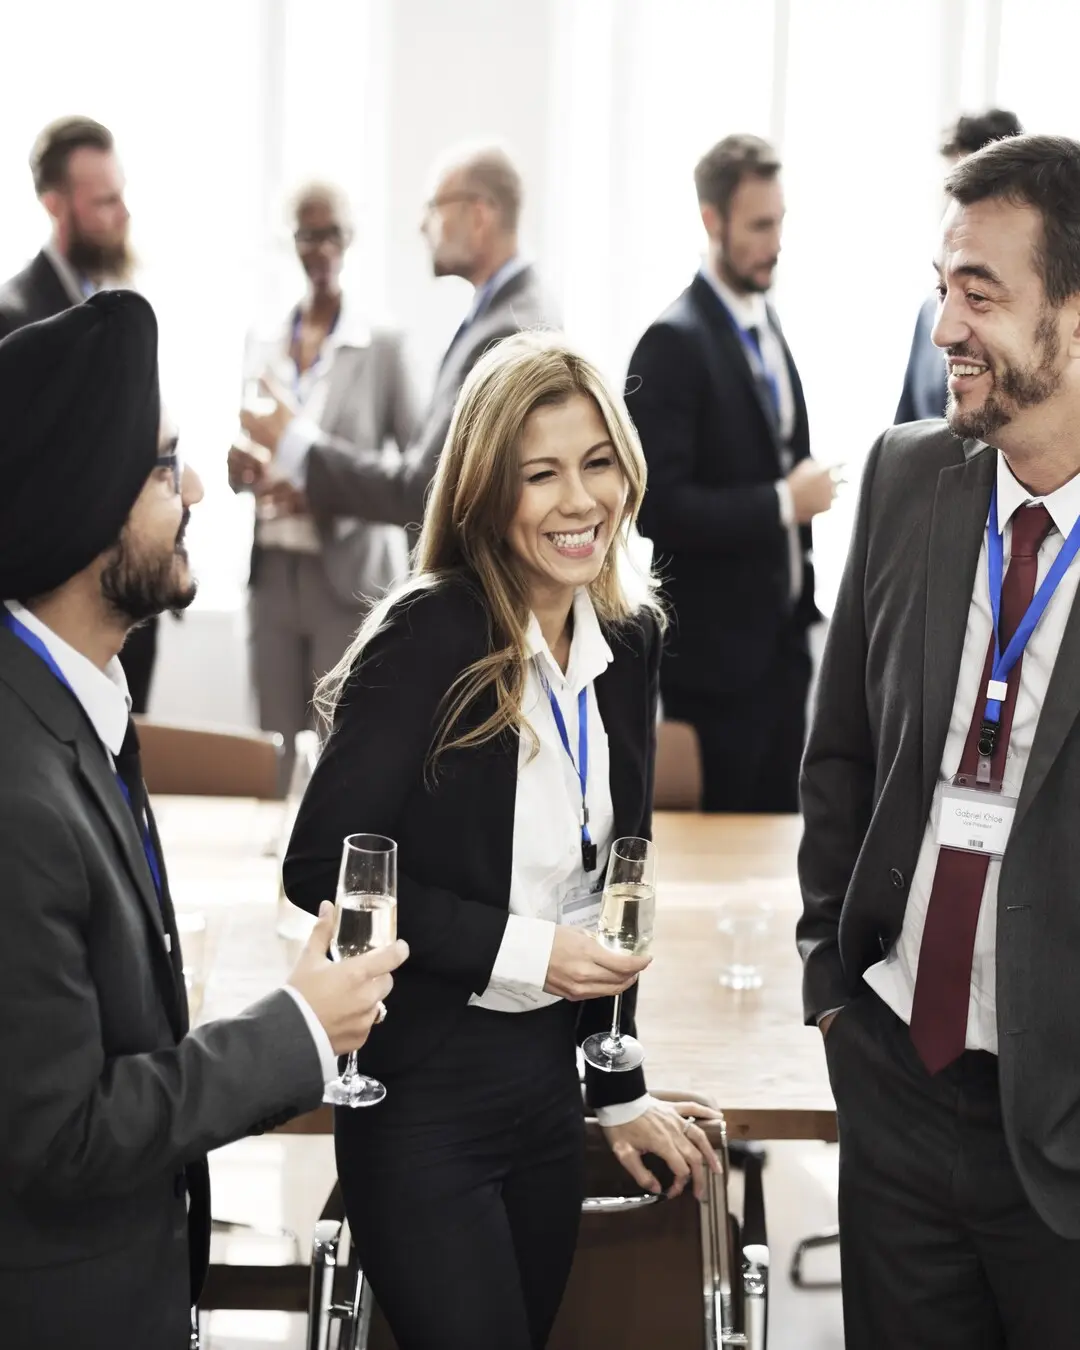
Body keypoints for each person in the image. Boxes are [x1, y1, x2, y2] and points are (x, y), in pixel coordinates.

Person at [283, 332, 721, 1349]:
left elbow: (623, 877)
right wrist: (531, 953)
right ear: (487, 491)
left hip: (543, 1085)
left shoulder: (628, 638)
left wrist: (617, 1090)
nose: (580, 501)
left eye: (598, 462)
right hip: (425, 1087)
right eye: (542, 474)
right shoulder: (434, 631)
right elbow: (320, 868)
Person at [0, 292, 408, 1349]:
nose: (195, 496)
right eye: (163, 467)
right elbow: (63, 1132)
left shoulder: (64, 700)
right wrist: (302, 1029)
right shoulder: (16, 789)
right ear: (87, 500)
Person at [798, 134, 1080, 1349]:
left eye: (982, 293)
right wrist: (830, 986)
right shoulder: (908, 479)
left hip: (1061, 1129)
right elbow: (839, 755)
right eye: (940, 286)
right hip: (898, 1088)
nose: (946, 326)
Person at [626, 134, 834, 813]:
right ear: (712, 222)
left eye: (780, 222)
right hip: (715, 668)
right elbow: (657, 508)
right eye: (759, 226)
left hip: (780, 653)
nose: (776, 242)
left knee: (778, 848)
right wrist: (781, 502)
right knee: (715, 862)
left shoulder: (766, 319)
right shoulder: (672, 341)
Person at [240, 143, 552, 531]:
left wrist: (295, 443)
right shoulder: (498, 313)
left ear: (478, 214)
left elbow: (425, 487)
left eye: (433, 208)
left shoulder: (511, 330)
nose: (423, 225)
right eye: (306, 235)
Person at [228, 183, 417, 786]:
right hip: (273, 573)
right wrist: (242, 471)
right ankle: (278, 872)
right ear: (291, 242)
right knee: (273, 747)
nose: (320, 247)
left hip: (348, 576)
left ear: (350, 237)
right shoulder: (261, 339)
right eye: (308, 234)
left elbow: (415, 476)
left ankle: (341, 873)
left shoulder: (381, 345)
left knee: (345, 745)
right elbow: (255, 439)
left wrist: (324, 491)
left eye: (331, 232)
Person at [0, 114, 161, 713]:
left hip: (126, 590)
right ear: (54, 205)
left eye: (122, 196)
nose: (123, 214)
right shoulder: (14, 319)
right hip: (57, 612)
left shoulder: (111, 306)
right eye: (105, 201)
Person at [895, 108, 1024, 424]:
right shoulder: (931, 312)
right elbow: (907, 424)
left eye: (972, 194)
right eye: (952, 194)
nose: (954, 212)